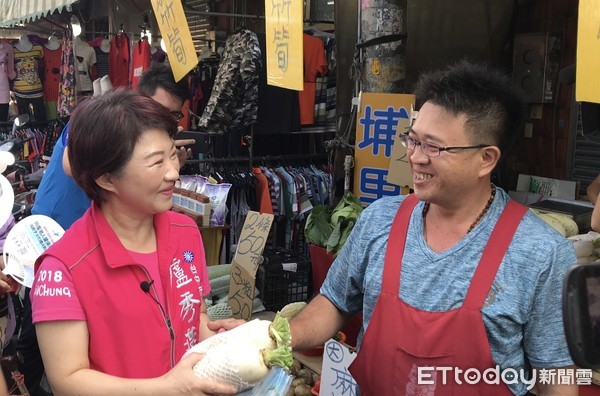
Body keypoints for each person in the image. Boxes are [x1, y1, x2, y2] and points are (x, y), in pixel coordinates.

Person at [288, 61, 578, 395]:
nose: (415, 157)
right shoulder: (380, 219)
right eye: (412, 140)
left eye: (434, 146)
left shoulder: (541, 253)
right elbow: (335, 302)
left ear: (486, 159)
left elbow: (556, 378)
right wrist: (271, 337)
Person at [30, 89, 237, 395]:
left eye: (172, 154)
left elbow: (196, 316)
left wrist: (216, 336)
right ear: (107, 179)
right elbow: (68, 380)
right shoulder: (62, 269)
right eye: (156, 162)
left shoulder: (185, 231)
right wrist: (165, 387)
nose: (173, 172)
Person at [32, 62, 194, 230]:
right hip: (55, 221)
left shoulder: (150, 135)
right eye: (161, 109)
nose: (165, 118)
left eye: (174, 114)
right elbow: (71, 165)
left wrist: (163, 160)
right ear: (141, 97)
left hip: (95, 229)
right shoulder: (100, 117)